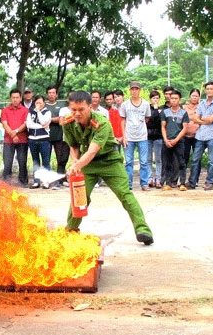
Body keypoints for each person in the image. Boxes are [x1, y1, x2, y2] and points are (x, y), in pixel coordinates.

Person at [63, 91, 153, 245]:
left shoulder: (102, 123)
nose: (77, 113)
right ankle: (71, 231)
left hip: (109, 160)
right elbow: (73, 145)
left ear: (90, 107)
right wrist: (74, 162)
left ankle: (142, 229)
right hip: (87, 164)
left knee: (125, 194)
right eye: (74, 110)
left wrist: (78, 164)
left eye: (81, 109)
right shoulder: (68, 122)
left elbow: (93, 150)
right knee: (79, 197)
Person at [187, 82, 213, 190]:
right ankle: (192, 181)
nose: (209, 91)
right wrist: (205, 120)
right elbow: (195, 118)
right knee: (195, 159)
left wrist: (202, 120)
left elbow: (212, 120)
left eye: (211, 89)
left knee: (212, 161)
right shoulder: (201, 103)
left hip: (212, 136)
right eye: (207, 89)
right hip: (200, 135)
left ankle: (209, 182)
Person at [119, 81, 150, 190]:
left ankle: (144, 183)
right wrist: (124, 136)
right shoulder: (125, 105)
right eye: (132, 89)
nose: (134, 91)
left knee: (144, 161)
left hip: (142, 137)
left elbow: (147, 118)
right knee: (128, 162)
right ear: (129, 91)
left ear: (139, 90)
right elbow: (122, 121)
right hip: (129, 137)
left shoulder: (146, 104)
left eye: (136, 89)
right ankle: (128, 184)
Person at [0, 89, 29, 187]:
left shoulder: (26, 110)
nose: (15, 99)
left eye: (17, 97)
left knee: (22, 161)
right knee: (7, 162)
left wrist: (15, 132)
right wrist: (13, 135)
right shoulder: (5, 110)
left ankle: (23, 181)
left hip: (22, 139)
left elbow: (25, 124)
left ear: (20, 98)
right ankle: (6, 182)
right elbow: (4, 124)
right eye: (13, 97)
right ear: (10, 98)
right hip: (8, 140)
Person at [161, 90, 189, 189]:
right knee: (167, 162)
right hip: (167, 141)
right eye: (172, 98)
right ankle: (168, 183)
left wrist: (176, 140)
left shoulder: (184, 113)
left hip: (179, 141)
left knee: (181, 162)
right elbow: (163, 126)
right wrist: (165, 139)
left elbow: (185, 128)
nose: (173, 100)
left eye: (176, 98)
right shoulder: (165, 112)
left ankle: (182, 183)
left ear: (179, 100)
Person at [26, 95, 52, 188]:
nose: (38, 104)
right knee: (35, 161)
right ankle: (36, 181)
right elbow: (29, 124)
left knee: (46, 161)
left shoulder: (47, 112)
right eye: (37, 103)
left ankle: (46, 182)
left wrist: (39, 112)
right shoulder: (30, 112)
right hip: (33, 139)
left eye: (40, 103)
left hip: (44, 139)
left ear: (44, 103)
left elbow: (44, 121)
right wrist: (41, 126)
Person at [45, 86, 69, 179]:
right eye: (49, 93)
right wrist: (54, 119)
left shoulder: (61, 106)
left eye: (53, 93)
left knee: (61, 158)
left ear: (56, 94)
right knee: (46, 159)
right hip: (46, 137)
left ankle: (61, 178)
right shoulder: (44, 106)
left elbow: (61, 119)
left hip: (58, 136)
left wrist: (48, 119)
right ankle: (47, 179)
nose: (51, 95)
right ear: (47, 94)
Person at [180, 88, 200, 186]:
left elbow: (202, 119)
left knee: (196, 159)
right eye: (193, 95)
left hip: (198, 136)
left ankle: (194, 180)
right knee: (184, 159)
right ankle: (182, 180)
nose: (194, 97)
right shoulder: (184, 107)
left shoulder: (201, 107)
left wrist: (192, 118)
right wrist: (194, 118)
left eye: (196, 96)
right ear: (190, 96)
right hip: (185, 136)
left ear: (199, 97)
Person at [146, 90, 163, 188]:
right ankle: (149, 178)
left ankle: (158, 179)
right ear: (150, 99)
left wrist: (156, 110)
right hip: (148, 136)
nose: (155, 100)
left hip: (158, 136)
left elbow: (159, 121)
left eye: (157, 98)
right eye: (153, 98)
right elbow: (149, 120)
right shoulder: (147, 108)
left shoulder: (161, 110)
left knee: (158, 159)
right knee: (148, 159)